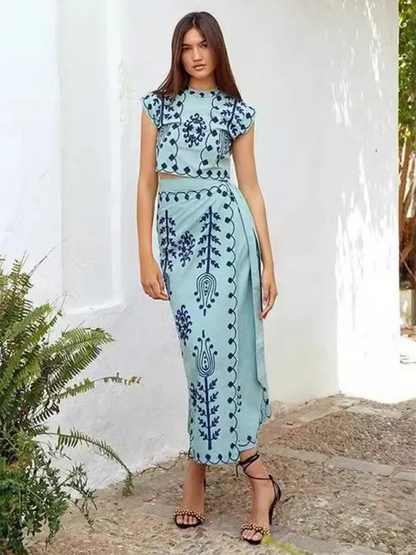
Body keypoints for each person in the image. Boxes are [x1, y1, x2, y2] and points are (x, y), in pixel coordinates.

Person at [137, 10, 281, 545]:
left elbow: (251, 189)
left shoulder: (237, 113)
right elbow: (146, 184)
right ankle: (236, 474)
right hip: (177, 240)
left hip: (224, 235)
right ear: (177, 53)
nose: (195, 55)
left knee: (216, 353)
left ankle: (236, 480)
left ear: (217, 49)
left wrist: (269, 261)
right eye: (186, 47)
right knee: (195, 354)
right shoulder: (156, 106)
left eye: (203, 45)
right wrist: (146, 254)